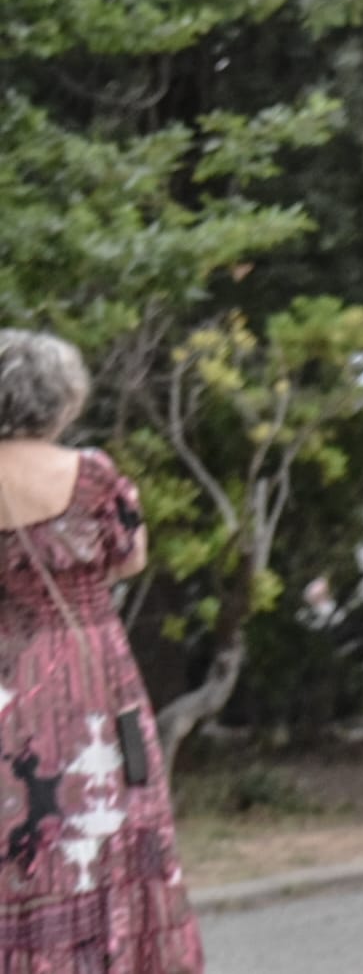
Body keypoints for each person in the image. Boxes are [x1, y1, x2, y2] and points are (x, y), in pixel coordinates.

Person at [0, 328, 204, 971]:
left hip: (7, 671)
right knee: (110, 817)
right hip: (91, 671)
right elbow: (130, 556)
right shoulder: (93, 475)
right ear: (62, 401)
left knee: (20, 835)